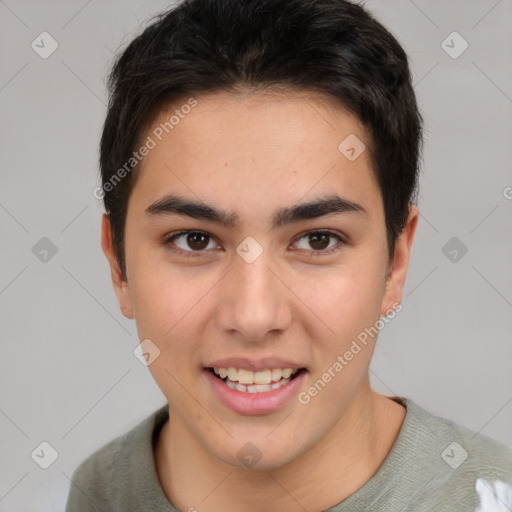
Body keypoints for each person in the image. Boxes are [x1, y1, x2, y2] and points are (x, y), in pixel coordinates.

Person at [65, 0, 512, 510]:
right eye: (195, 240)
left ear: (396, 261)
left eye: (317, 240)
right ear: (118, 264)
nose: (254, 316)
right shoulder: (97, 492)